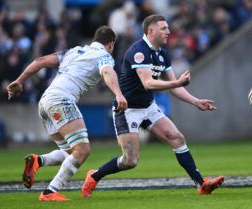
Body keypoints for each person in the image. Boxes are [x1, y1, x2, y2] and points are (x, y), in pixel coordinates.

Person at [81, 15, 224, 197]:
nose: (169, 32)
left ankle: (201, 184)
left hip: (148, 107)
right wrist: (177, 83)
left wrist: (196, 101)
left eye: (167, 28)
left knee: (177, 138)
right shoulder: (138, 51)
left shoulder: (162, 54)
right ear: (150, 31)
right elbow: (149, 83)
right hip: (127, 109)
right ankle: (94, 175)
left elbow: (174, 86)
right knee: (130, 161)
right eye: (164, 28)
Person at [6, 26, 128, 201]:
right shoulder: (104, 56)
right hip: (61, 100)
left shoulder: (73, 51)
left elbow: (40, 60)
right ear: (111, 44)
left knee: (72, 152)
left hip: (45, 101)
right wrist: (118, 94)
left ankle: (38, 161)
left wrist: (19, 80)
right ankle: (50, 192)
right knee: (83, 150)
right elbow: (107, 71)